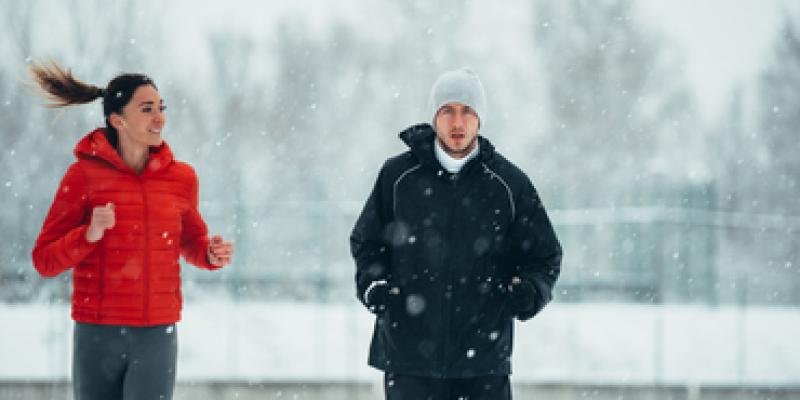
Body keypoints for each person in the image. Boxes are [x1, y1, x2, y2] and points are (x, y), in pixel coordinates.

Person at [350, 68, 562, 399]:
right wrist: (375, 284)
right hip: (409, 359)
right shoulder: (397, 177)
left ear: (480, 119)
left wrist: (529, 291)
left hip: (483, 362)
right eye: (447, 110)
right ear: (434, 117)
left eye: (467, 111)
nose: (457, 121)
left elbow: (544, 255)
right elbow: (367, 242)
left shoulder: (509, 184)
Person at [29, 61, 233, 400]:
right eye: (147, 109)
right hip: (97, 333)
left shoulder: (181, 178)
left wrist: (210, 253)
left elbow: (191, 242)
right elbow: (44, 260)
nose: (160, 118)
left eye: (161, 108)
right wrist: (89, 234)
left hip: (156, 333)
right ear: (118, 120)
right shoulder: (82, 176)